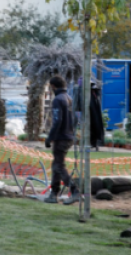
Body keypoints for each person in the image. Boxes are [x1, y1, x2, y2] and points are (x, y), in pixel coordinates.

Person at [44, 75, 80, 204]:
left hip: (61, 137)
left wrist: (50, 138)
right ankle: (54, 194)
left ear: (53, 86)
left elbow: (57, 120)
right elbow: (75, 119)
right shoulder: (69, 98)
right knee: (56, 165)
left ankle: (75, 191)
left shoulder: (58, 99)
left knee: (59, 166)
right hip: (69, 135)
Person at [89, 79, 105, 150]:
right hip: (92, 117)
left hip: (96, 116)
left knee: (96, 130)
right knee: (92, 130)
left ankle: (95, 144)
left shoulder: (95, 96)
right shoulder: (90, 96)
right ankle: (93, 144)